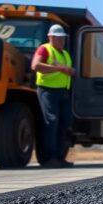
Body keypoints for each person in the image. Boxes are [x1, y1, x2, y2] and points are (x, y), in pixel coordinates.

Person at [32, 24, 75, 168]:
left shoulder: (65, 54)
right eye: (59, 38)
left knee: (64, 122)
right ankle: (49, 157)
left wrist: (70, 71)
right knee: (51, 121)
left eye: (63, 38)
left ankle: (60, 157)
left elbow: (67, 70)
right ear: (51, 37)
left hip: (62, 91)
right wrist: (59, 68)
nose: (62, 41)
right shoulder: (44, 49)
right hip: (47, 90)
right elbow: (35, 66)